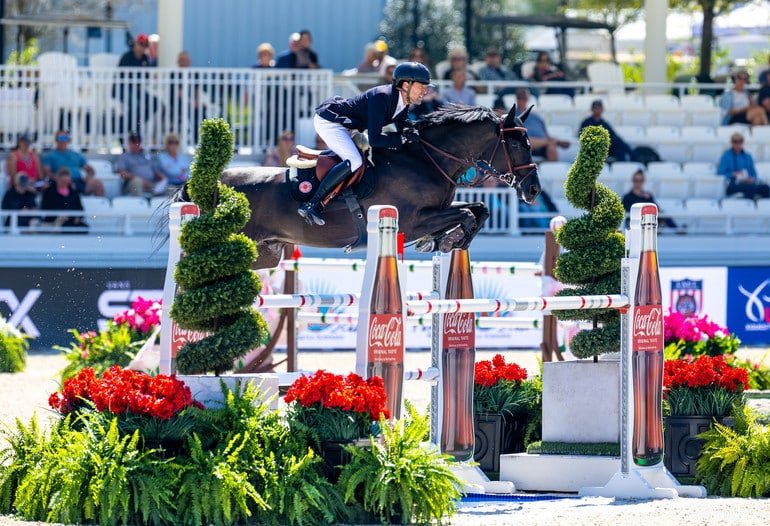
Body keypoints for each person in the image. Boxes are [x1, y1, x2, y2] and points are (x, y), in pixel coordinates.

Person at [297, 62, 431, 225]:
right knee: (355, 160)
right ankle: (312, 204)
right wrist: (402, 139)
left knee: (357, 159)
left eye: (426, 87)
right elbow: (375, 139)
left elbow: (402, 127)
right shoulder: (382, 97)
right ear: (405, 85)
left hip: (348, 126)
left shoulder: (402, 103)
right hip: (330, 122)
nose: (425, 91)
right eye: (421, 86)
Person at [115, 33, 158, 132]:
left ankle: (135, 126)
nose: (142, 47)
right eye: (140, 44)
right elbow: (121, 77)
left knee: (155, 104)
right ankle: (124, 129)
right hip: (122, 88)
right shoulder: (127, 57)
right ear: (135, 44)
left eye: (145, 45)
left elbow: (146, 77)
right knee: (136, 105)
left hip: (136, 89)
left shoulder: (145, 58)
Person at [42, 130, 105, 196]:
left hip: (78, 182)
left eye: (64, 138)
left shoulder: (76, 155)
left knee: (98, 184)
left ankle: (101, 205)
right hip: (60, 183)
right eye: (60, 138)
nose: (62, 141)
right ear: (56, 140)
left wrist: (87, 178)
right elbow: (47, 173)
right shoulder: (49, 156)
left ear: (68, 140)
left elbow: (90, 170)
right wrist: (62, 180)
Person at [516, 88, 569, 162]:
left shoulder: (536, 117)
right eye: (520, 98)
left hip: (542, 147)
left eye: (524, 98)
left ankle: (552, 171)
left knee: (552, 147)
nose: (522, 100)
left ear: (528, 99)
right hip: (524, 146)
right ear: (517, 99)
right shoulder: (514, 117)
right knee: (525, 141)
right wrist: (553, 141)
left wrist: (555, 140)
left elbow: (547, 135)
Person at [717, 132, 770, 200]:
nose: (737, 144)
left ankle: (762, 208)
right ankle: (747, 206)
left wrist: (751, 179)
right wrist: (733, 174)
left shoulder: (748, 156)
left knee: (766, 188)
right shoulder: (726, 156)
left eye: (740, 141)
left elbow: (753, 173)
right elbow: (720, 172)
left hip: (748, 183)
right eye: (735, 141)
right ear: (732, 143)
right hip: (733, 184)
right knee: (752, 188)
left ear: (742, 142)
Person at [116, 132, 166, 196]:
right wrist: (140, 180)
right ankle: (139, 203)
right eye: (134, 142)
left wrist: (163, 178)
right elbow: (122, 173)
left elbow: (156, 172)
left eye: (138, 141)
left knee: (170, 188)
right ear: (129, 143)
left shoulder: (147, 155)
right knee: (137, 182)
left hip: (151, 183)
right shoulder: (124, 156)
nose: (136, 144)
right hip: (133, 184)